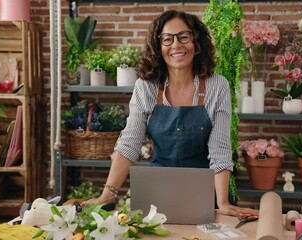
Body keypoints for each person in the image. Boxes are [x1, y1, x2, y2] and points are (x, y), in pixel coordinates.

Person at [82, 10, 258, 217]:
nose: (176, 45)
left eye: (184, 37)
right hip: (159, 191)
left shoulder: (216, 86)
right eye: (167, 39)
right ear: (158, 46)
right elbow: (130, 143)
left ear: (197, 42)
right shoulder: (145, 87)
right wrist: (107, 195)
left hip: (205, 193)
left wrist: (223, 202)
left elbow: (220, 148)